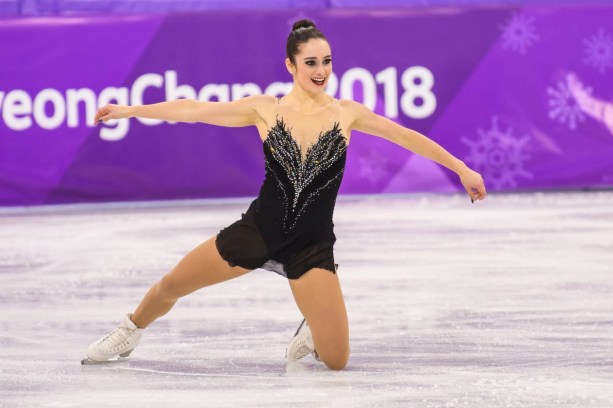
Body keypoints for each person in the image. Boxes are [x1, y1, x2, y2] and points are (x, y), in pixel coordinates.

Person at [84, 19, 487, 371]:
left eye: (326, 61)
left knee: (337, 361)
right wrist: (130, 110)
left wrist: (461, 168)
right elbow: (193, 109)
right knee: (172, 286)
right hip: (258, 230)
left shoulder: (346, 113)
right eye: (311, 62)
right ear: (291, 66)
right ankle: (129, 331)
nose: (321, 70)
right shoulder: (266, 110)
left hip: (311, 246)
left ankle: (310, 324)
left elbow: (406, 137)